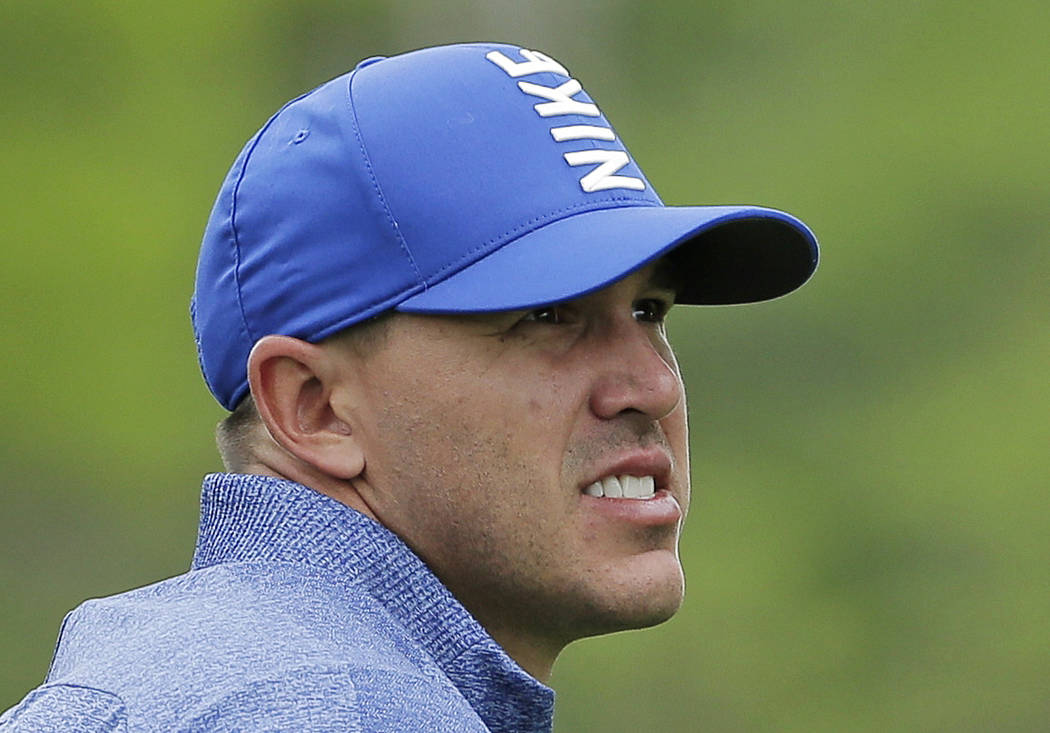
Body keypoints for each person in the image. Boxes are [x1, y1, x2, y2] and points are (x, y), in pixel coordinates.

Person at [1, 42, 817, 732]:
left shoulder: (195, 666)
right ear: (314, 408)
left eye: (647, 309)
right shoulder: (336, 706)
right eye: (545, 315)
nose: (651, 385)